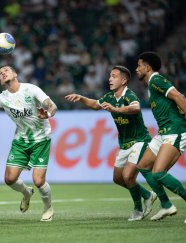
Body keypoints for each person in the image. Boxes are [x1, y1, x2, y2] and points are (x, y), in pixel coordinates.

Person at [65, 66, 157, 221]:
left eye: (114, 76)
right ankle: (147, 195)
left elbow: (136, 107)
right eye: (110, 76)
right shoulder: (110, 96)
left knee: (128, 176)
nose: (110, 79)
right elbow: (95, 105)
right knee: (118, 179)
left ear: (124, 80)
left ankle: (138, 210)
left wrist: (116, 110)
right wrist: (81, 98)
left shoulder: (129, 95)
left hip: (140, 140)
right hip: (124, 143)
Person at [0, 65, 57, 222]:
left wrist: (48, 113)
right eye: (0, 73)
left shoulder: (31, 89)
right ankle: (26, 193)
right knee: (9, 179)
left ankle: (48, 208)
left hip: (41, 139)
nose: (3, 73)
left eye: (6, 70)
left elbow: (52, 105)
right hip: (20, 141)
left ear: (15, 74)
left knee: (39, 181)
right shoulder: (2, 97)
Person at [135, 51, 186, 224]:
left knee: (158, 172)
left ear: (148, 67)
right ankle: (166, 205)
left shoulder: (156, 80)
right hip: (164, 132)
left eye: (139, 65)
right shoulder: (152, 84)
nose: (136, 69)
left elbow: (180, 97)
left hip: (176, 131)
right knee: (143, 166)